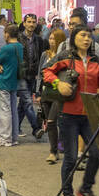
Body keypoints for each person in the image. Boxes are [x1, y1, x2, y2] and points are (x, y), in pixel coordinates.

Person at [45, 26, 99, 196]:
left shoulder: (95, 60)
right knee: (71, 157)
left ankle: (85, 189)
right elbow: (46, 72)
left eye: (89, 36)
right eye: (83, 35)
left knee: (97, 154)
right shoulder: (65, 57)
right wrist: (58, 84)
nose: (87, 39)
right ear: (74, 38)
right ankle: (67, 194)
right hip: (68, 114)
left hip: (89, 114)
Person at [0, 24, 24, 147]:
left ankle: (5, 138)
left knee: (4, 111)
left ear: (7, 34)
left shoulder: (6, 48)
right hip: (14, 82)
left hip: (4, 81)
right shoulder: (19, 46)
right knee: (13, 110)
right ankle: (13, 137)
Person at [39, 28, 68, 164]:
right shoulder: (45, 54)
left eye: (54, 39)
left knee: (53, 120)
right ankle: (53, 151)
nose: (51, 41)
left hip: (58, 93)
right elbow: (40, 73)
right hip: (46, 92)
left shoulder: (64, 56)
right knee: (49, 123)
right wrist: (37, 92)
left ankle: (55, 149)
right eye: (50, 38)